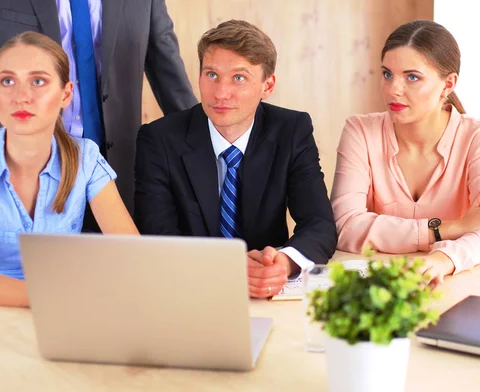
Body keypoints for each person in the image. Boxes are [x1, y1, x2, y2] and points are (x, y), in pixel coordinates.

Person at [134, 20, 337, 299]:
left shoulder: (291, 131)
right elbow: (156, 236)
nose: (221, 93)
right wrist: (226, 266)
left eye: (238, 78)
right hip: (189, 290)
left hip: (267, 291)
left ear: (267, 85)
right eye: (212, 75)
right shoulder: (158, 139)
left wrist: (285, 262)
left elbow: (319, 224)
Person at [0, 32, 139, 308]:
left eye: (38, 81)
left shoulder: (86, 158)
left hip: (64, 317)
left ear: (66, 94)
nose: (21, 97)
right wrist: (59, 296)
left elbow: (134, 256)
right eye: (8, 81)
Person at [0, 0, 198, 216]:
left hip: (114, 171)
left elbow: (170, 77)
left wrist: (203, 155)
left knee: (116, 263)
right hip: (25, 176)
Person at [331, 20, 480, 287]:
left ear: (448, 84)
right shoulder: (360, 131)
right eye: (387, 74)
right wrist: (447, 228)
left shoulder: (479, 137)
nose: (394, 89)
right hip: (377, 288)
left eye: (412, 77)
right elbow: (345, 226)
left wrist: (442, 259)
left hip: (455, 283)